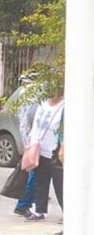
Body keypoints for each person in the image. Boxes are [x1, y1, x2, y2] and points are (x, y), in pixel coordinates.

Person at [26, 94, 65, 222]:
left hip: (55, 151)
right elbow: (36, 126)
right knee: (40, 182)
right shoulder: (43, 104)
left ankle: (67, 212)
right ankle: (39, 211)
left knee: (60, 185)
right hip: (40, 150)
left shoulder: (64, 106)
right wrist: (31, 143)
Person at [12, 101, 38, 218]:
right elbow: (24, 124)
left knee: (35, 174)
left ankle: (27, 203)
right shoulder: (32, 97)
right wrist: (27, 145)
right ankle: (23, 204)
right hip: (34, 143)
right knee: (34, 174)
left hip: (34, 142)